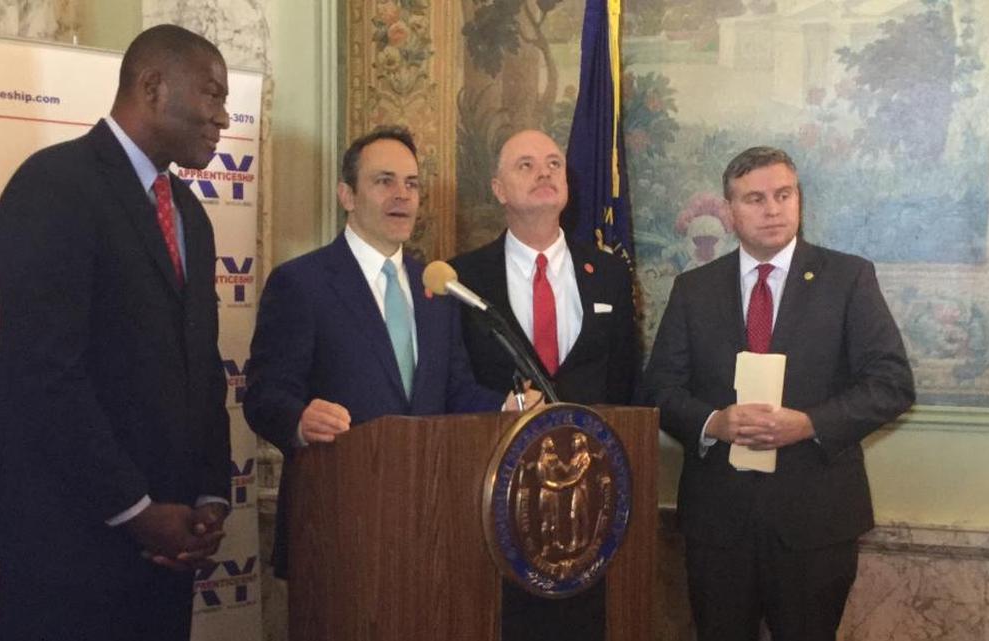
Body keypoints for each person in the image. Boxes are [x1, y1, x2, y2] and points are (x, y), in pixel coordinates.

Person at [0, 25, 233, 641]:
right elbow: (47, 373)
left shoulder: (189, 212)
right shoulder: (55, 185)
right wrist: (137, 511)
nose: (223, 116)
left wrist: (209, 497)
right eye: (212, 95)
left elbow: (202, 366)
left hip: (170, 546)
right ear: (152, 85)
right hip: (70, 542)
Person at [644, 146, 915, 641]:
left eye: (783, 194)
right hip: (718, 526)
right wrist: (713, 423)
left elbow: (892, 383)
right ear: (729, 213)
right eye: (754, 199)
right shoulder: (693, 289)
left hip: (817, 522)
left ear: (798, 200)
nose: (772, 209)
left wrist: (810, 424)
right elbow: (660, 388)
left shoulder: (848, 278)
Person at [243, 126, 537, 579]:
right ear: (347, 194)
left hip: (431, 526)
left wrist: (505, 406)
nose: (402, 195)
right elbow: (264, 395)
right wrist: (299, 419)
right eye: (384, 181)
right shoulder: (302, 283)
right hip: (335, 526)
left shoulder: (436, 287)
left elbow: (452, 390)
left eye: (412, 184)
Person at [449, 128, 639, 641]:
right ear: (498, 189)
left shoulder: (609, 275)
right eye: (526, 165)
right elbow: (452, 383)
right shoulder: (463, 279)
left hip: (592, 507)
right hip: (498, 505)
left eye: (554, 164)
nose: (545, 174)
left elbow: (625, 378)